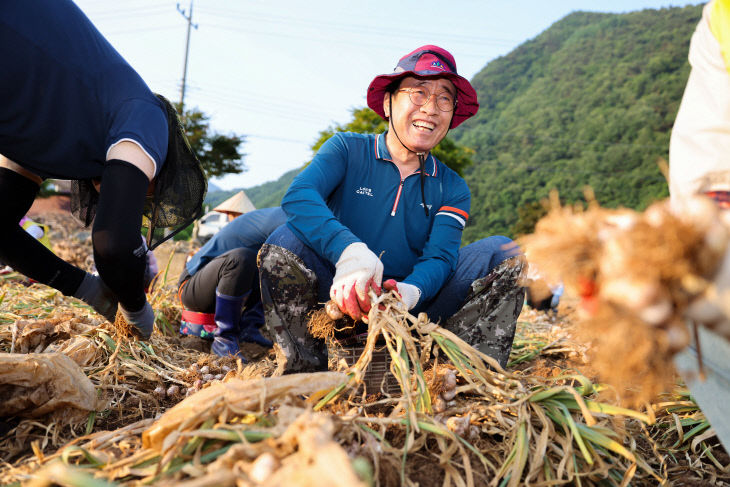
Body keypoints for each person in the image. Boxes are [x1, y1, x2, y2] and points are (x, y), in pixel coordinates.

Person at [258, 45, 525, 373]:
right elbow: (300, 196)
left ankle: (458, 372)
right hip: (343, 303)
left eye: (444, 98)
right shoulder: (347, 149)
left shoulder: (452, 187)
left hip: (415, 311)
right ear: (388, 102)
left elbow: (440, 257)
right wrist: (350, 254)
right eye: (418, 93)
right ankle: (304, 370)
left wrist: (410, 293)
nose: (431, 108)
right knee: (285, 242)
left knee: (504, 251)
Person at [0, 1, 204, 338]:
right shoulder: (146, 115)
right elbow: (113, 243)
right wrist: (136, 310)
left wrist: (91, 291)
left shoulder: (49, 127)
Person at [667, 0, 730, 450]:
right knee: (682, 305)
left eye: (442, 97)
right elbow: (712, 172)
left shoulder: (450, 187)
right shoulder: (722, 21)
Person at [178, 207, 287, 359]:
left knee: (273, 267)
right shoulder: (286, 222)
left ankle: (249, 329)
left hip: (224, 284)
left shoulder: (288, 219)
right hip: (191, 287)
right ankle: (224, 340)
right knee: (241, 258)